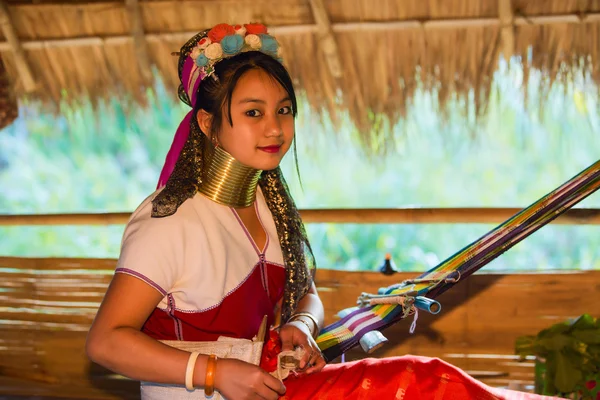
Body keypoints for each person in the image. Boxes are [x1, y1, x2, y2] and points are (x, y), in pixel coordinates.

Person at [86, 23, 563, 400]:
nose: (275, 127)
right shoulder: (171, 219)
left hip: (274, 384)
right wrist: (213, 373)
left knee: (429, 379)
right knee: (422, 381)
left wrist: (301, 326)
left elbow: (306, 293)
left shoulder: (266, 203)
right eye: (253, 112)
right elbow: (106, 342)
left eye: (285, 109)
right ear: (208, 123)